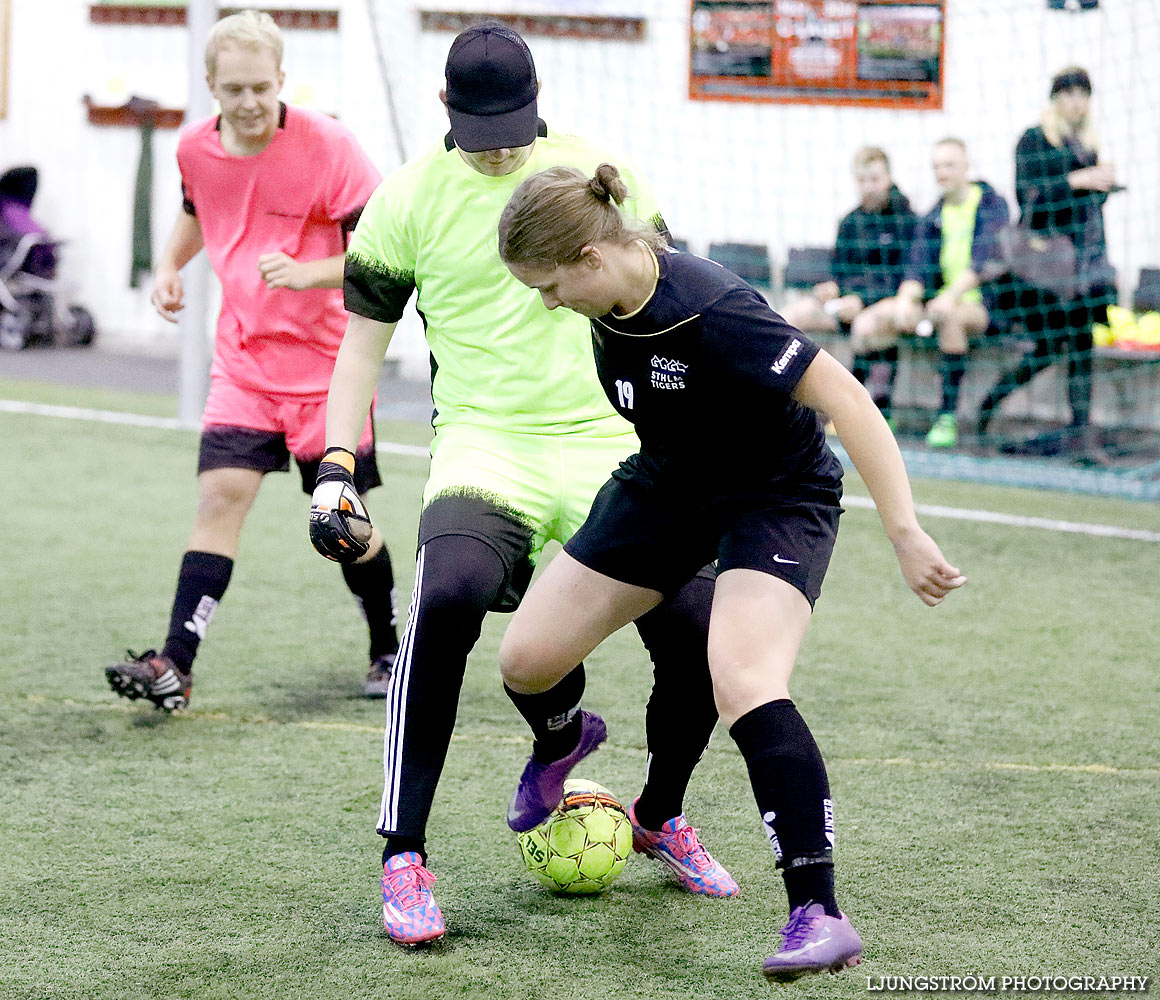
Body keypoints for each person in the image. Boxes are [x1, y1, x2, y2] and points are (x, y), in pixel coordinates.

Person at [309, 22, 735, 947]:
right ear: (444, 112)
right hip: (484, 446)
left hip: (608, 448)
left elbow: (671, 302)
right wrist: (337, 467)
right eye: (482, 127)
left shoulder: (595, 177)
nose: (501, 144)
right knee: (445, 598)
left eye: (515, 124)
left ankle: (659, 813)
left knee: (704, 631)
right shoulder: (405, 200)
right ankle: (403, 856)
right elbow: (359, 352)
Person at [495, 163, 966, 981]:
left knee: (742, 676)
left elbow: (847, 400)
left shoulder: (718, 311)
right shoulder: (613, 289)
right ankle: (566, 741)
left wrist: (906, 530)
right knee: (526, 660)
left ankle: (818, 912)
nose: (547, 302)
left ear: (589, 257)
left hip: (775, 498)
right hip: (668, 485)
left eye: (548, 285)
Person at [104, 10, 400, 709]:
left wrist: (309, 274)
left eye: (261, 88)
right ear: (210, 86)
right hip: (242, 366)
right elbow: (197, 209)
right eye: (233, 89)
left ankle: (387, 648)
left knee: (340, 524)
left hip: (331, 369)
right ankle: (175, 662)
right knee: (218, 499)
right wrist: (171, 267)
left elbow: (383, 255)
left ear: (282, 80)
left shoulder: (331, 146)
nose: (249, 102)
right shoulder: (194, 150)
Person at [977, 67, 1119, 459]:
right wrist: (1078, 180)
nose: (1076, 101)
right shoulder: (1034, 140)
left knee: (1074, 343)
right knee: (1055, 345)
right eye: (1068, 93)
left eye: (1082, 94)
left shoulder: (1085, 145)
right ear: (1055, 98)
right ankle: (994, 405)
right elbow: (1030, 202)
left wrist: (1102, 184)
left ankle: (1078, 431)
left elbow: (1087, 212)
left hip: (1079, 269)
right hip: (1037, 272)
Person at [857, 138, 1008, 448]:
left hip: (983, 306)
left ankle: (947, 417)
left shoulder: (991, 205)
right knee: (872, 321)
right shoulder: (932, 216)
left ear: (966, 166)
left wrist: (950, 297)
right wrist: (905, 301)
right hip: (936, 303)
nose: (943, 172)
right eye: (937, 166)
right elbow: (916, 269)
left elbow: (983, 262)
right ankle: (879, 411)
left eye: (949, 164)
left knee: (950, 318)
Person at [781, 146, 916, 353]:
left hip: (883, 305)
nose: (868, 187)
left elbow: (904, 278)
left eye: (874, 179)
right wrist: (834, 289)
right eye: (862, 180)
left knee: (865, 326)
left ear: (888, 177)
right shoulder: (850, 222)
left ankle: (862, 383)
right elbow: (839, 271)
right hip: (845, 304)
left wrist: (862, 299)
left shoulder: (906, 221)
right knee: (791, 315)